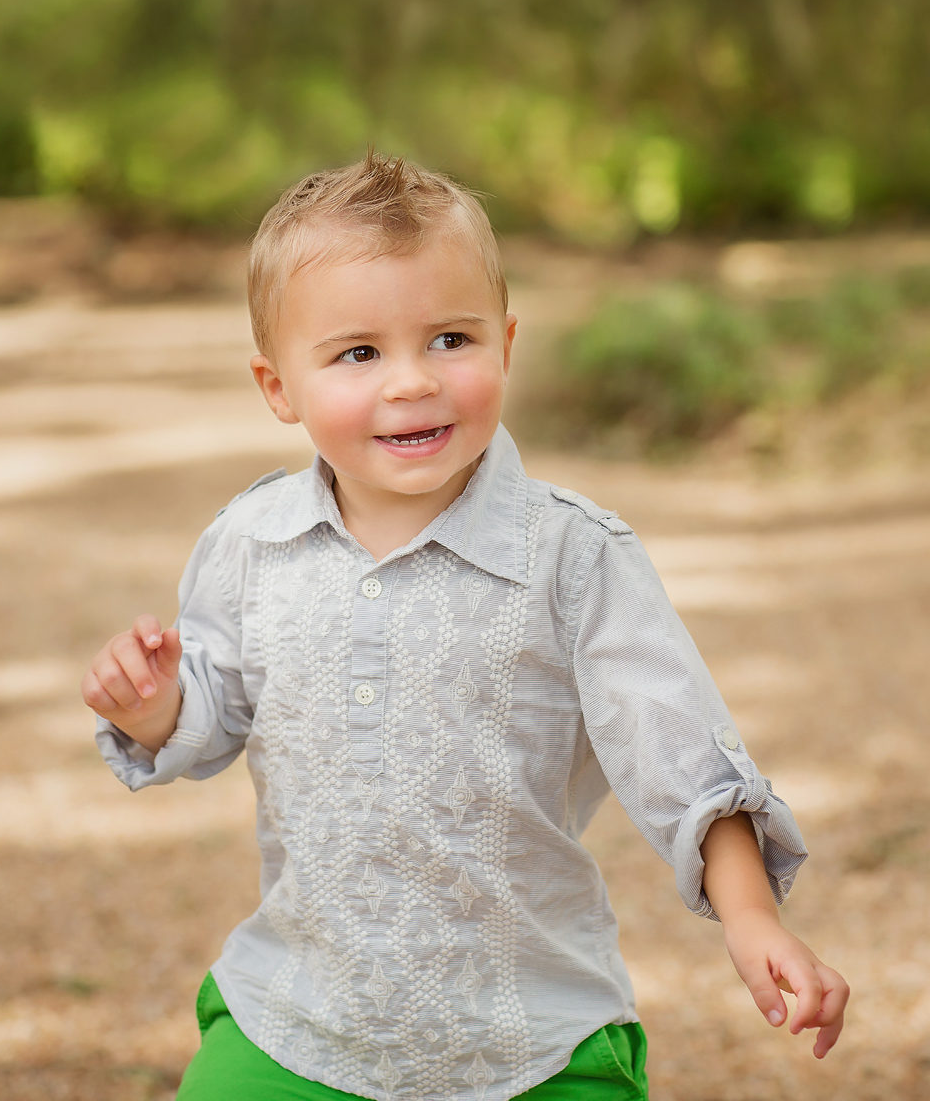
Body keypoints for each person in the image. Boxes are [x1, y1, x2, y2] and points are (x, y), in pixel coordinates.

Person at [83, 152, 849, 1101]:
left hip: (531, 1039)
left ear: (507, 345)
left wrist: (752, 920)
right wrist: (158, 706)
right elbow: (210, 715)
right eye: (359, 353)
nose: (412, 382)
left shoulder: (573, 556)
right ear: (277, 386)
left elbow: (683, 755)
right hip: (300, 1023)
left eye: (450, 339)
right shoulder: (253, 542)